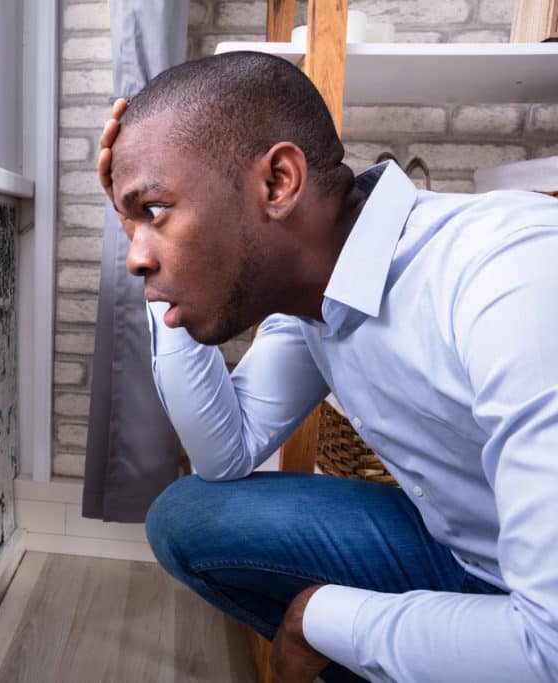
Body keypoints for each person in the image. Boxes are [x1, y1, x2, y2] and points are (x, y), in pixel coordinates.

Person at [96, 51, 558, 683]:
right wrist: (148, 241)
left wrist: (323, 616)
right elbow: (224, 456)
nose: (133, 259)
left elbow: (553, 644)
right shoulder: (314, 290)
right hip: (467, 555)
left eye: (155, 209)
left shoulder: (513, 276)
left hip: (542, 617)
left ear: (278, 182)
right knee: (189, 516)